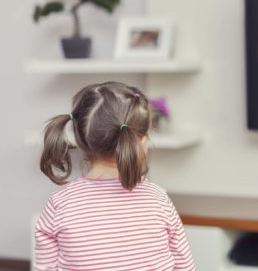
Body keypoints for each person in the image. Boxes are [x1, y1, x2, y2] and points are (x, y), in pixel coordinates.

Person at [34, 81, 195, 270]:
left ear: (80, 138)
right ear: (142, 140)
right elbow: (185, 267)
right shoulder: (158, 199)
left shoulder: (60, 204)